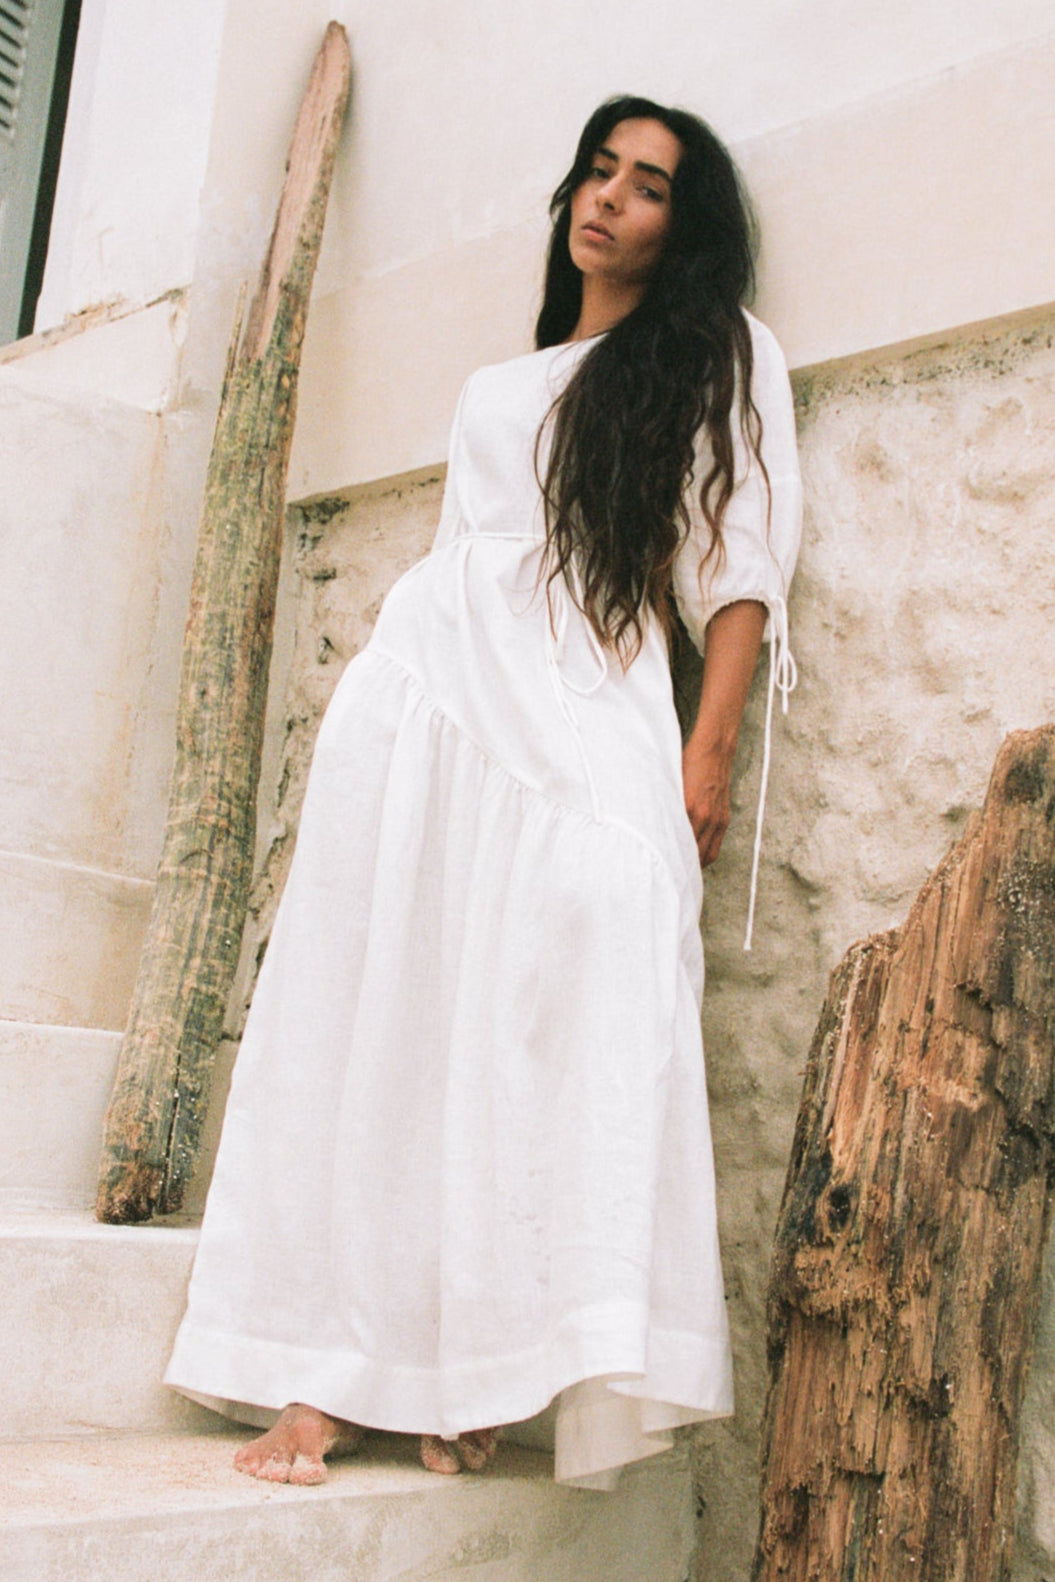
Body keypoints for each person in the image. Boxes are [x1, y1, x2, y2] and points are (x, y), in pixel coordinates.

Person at [165, 94, 801, 1492]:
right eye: (597, 171)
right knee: (404, 1017)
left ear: (682, 227)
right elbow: (468, 557)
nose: (608, 198)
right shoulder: (497, 390)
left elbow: (739, 561)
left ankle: (498, 1364)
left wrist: (708, 750)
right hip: (435, 706)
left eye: (647, 186)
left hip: (590, 712)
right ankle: (337, 1376)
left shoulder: (718, 358)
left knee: (585, 997)